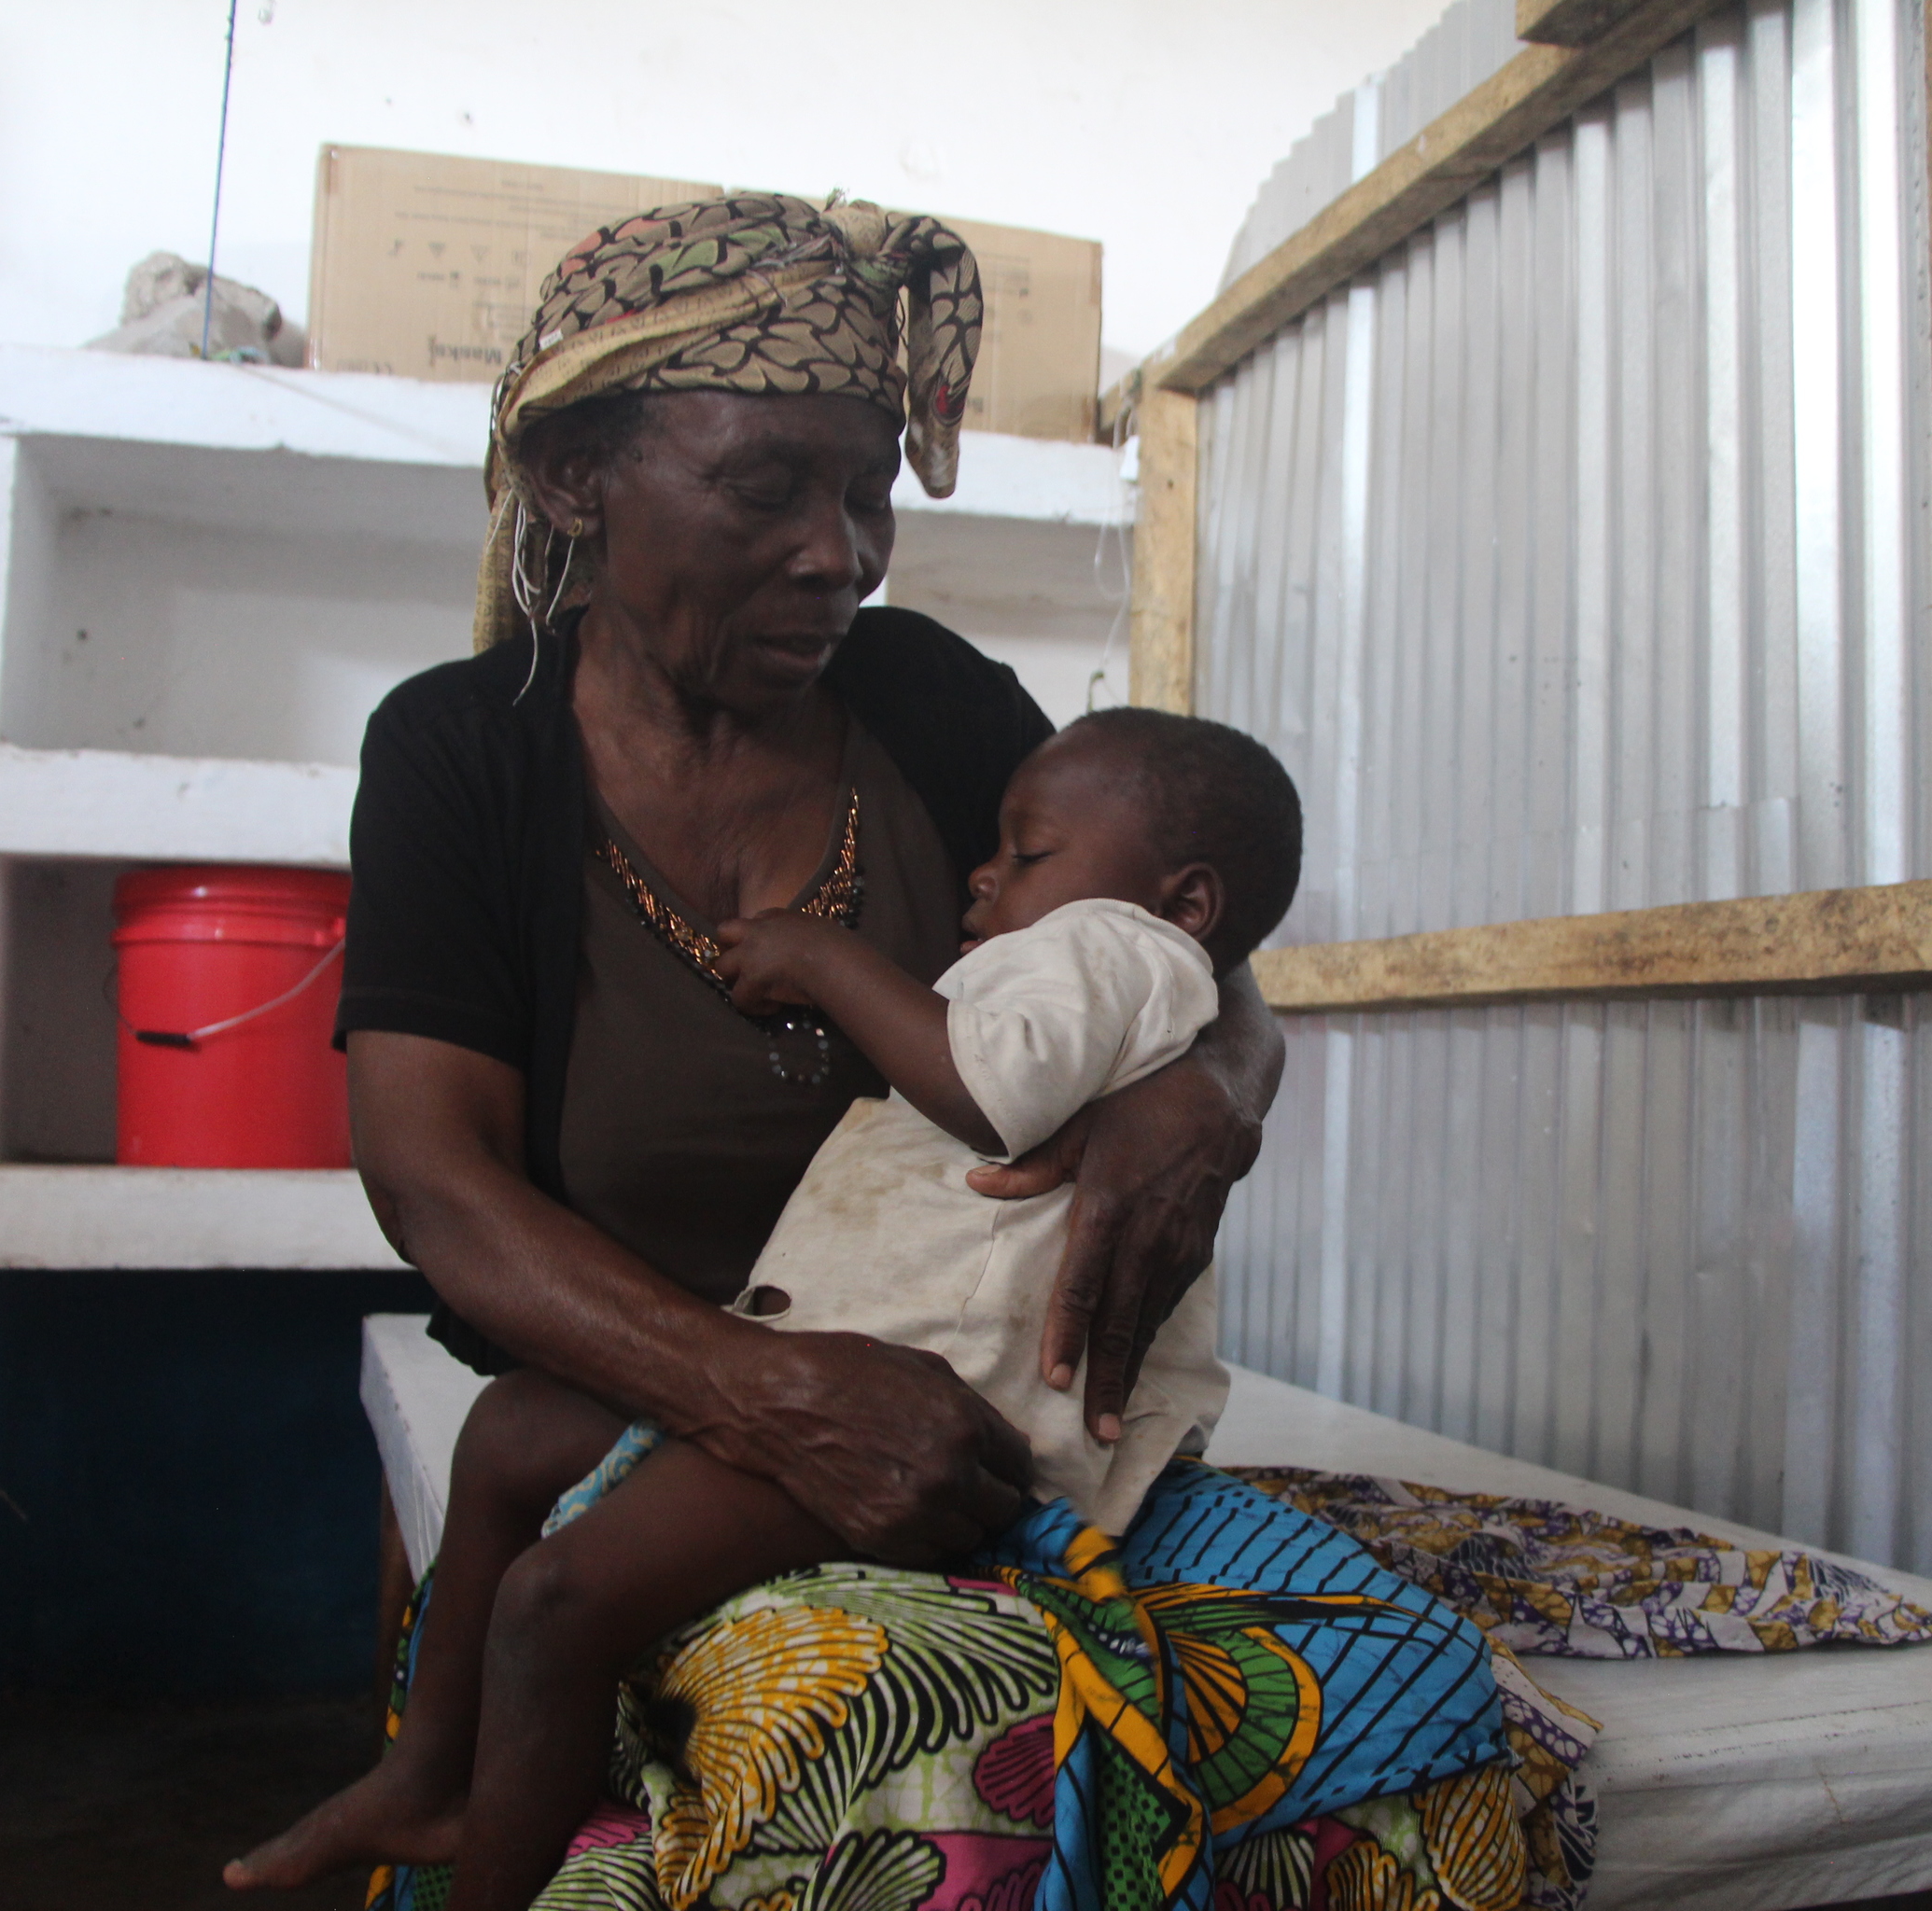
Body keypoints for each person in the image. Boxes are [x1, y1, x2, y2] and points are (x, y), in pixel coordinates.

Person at [225, 193, 1566, 1911]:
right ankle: (435, 1791)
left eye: (867, 495)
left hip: (962, 1381)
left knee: (1375, 1697)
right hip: (692, 1380)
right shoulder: (464, 753)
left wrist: (1209, 1099)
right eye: (767, 488)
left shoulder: (926, 702)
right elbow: (435, 1177)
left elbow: (1195, 945)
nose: (840, 553)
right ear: (571, 476)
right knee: (812, 1683)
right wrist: (765, 1394)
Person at [242, 707, 1302, 1908]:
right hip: (846, 1358)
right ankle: (429, 1773)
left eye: (1028, 852)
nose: (984, 871)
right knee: (511, 1428)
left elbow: (993, 1090)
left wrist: (825, 961)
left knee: (555, 1600)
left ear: (1186, 902)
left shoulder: (1116, 943)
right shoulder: (1090, 948)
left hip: (944, 1414)